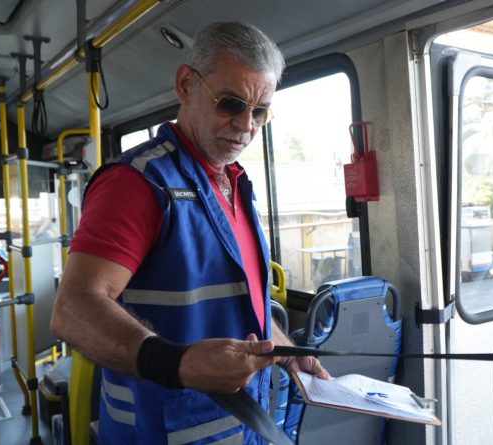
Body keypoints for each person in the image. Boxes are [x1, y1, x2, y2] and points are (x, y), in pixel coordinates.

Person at [50, 21, 329, 444]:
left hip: (242, 426)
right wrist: (178, 363)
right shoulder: (139, 183)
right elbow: (73, 309)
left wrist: (288, 356)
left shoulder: (235, 185)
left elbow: (239, 307)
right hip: (159, 431)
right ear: (186, 85)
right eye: (231, 103)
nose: (245, 125)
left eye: (259, 112)